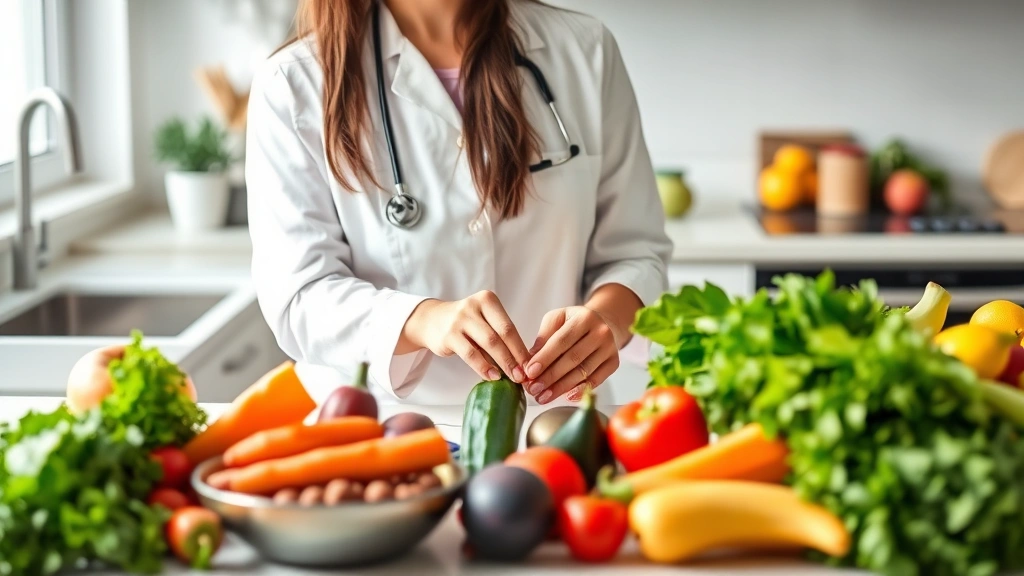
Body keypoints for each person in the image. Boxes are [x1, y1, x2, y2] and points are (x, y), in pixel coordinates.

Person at [246, 0, 672, 406]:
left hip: (557, 422)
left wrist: (608, 321)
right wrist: (424, 320)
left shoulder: (586, 48)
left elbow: (635, 252)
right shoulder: (292, 84)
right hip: (378, 429)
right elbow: (300, 295)